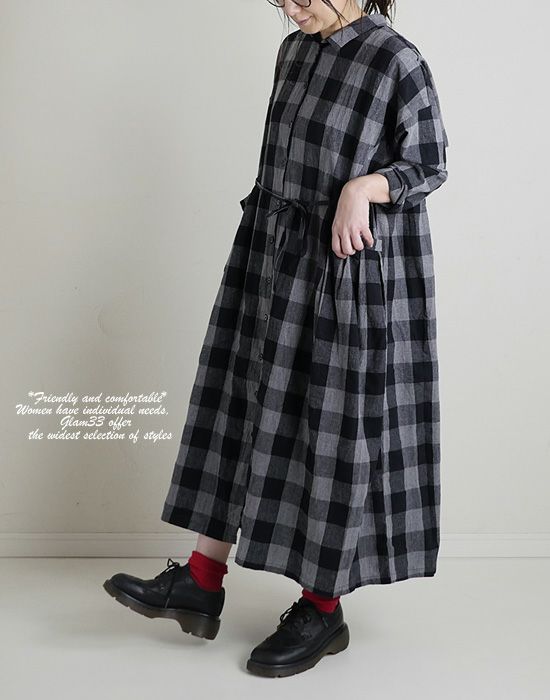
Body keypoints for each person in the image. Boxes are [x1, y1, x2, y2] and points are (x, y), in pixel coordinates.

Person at [103, 0, 449, 678]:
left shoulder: (396, 60)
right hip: (272, 255)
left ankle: (323, 609)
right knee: (237, 403)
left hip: (347, 274)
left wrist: (364, 188)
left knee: (329, 432)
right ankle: (201, 579)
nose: (290, 8)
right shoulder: (294, 51)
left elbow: (430, 162)